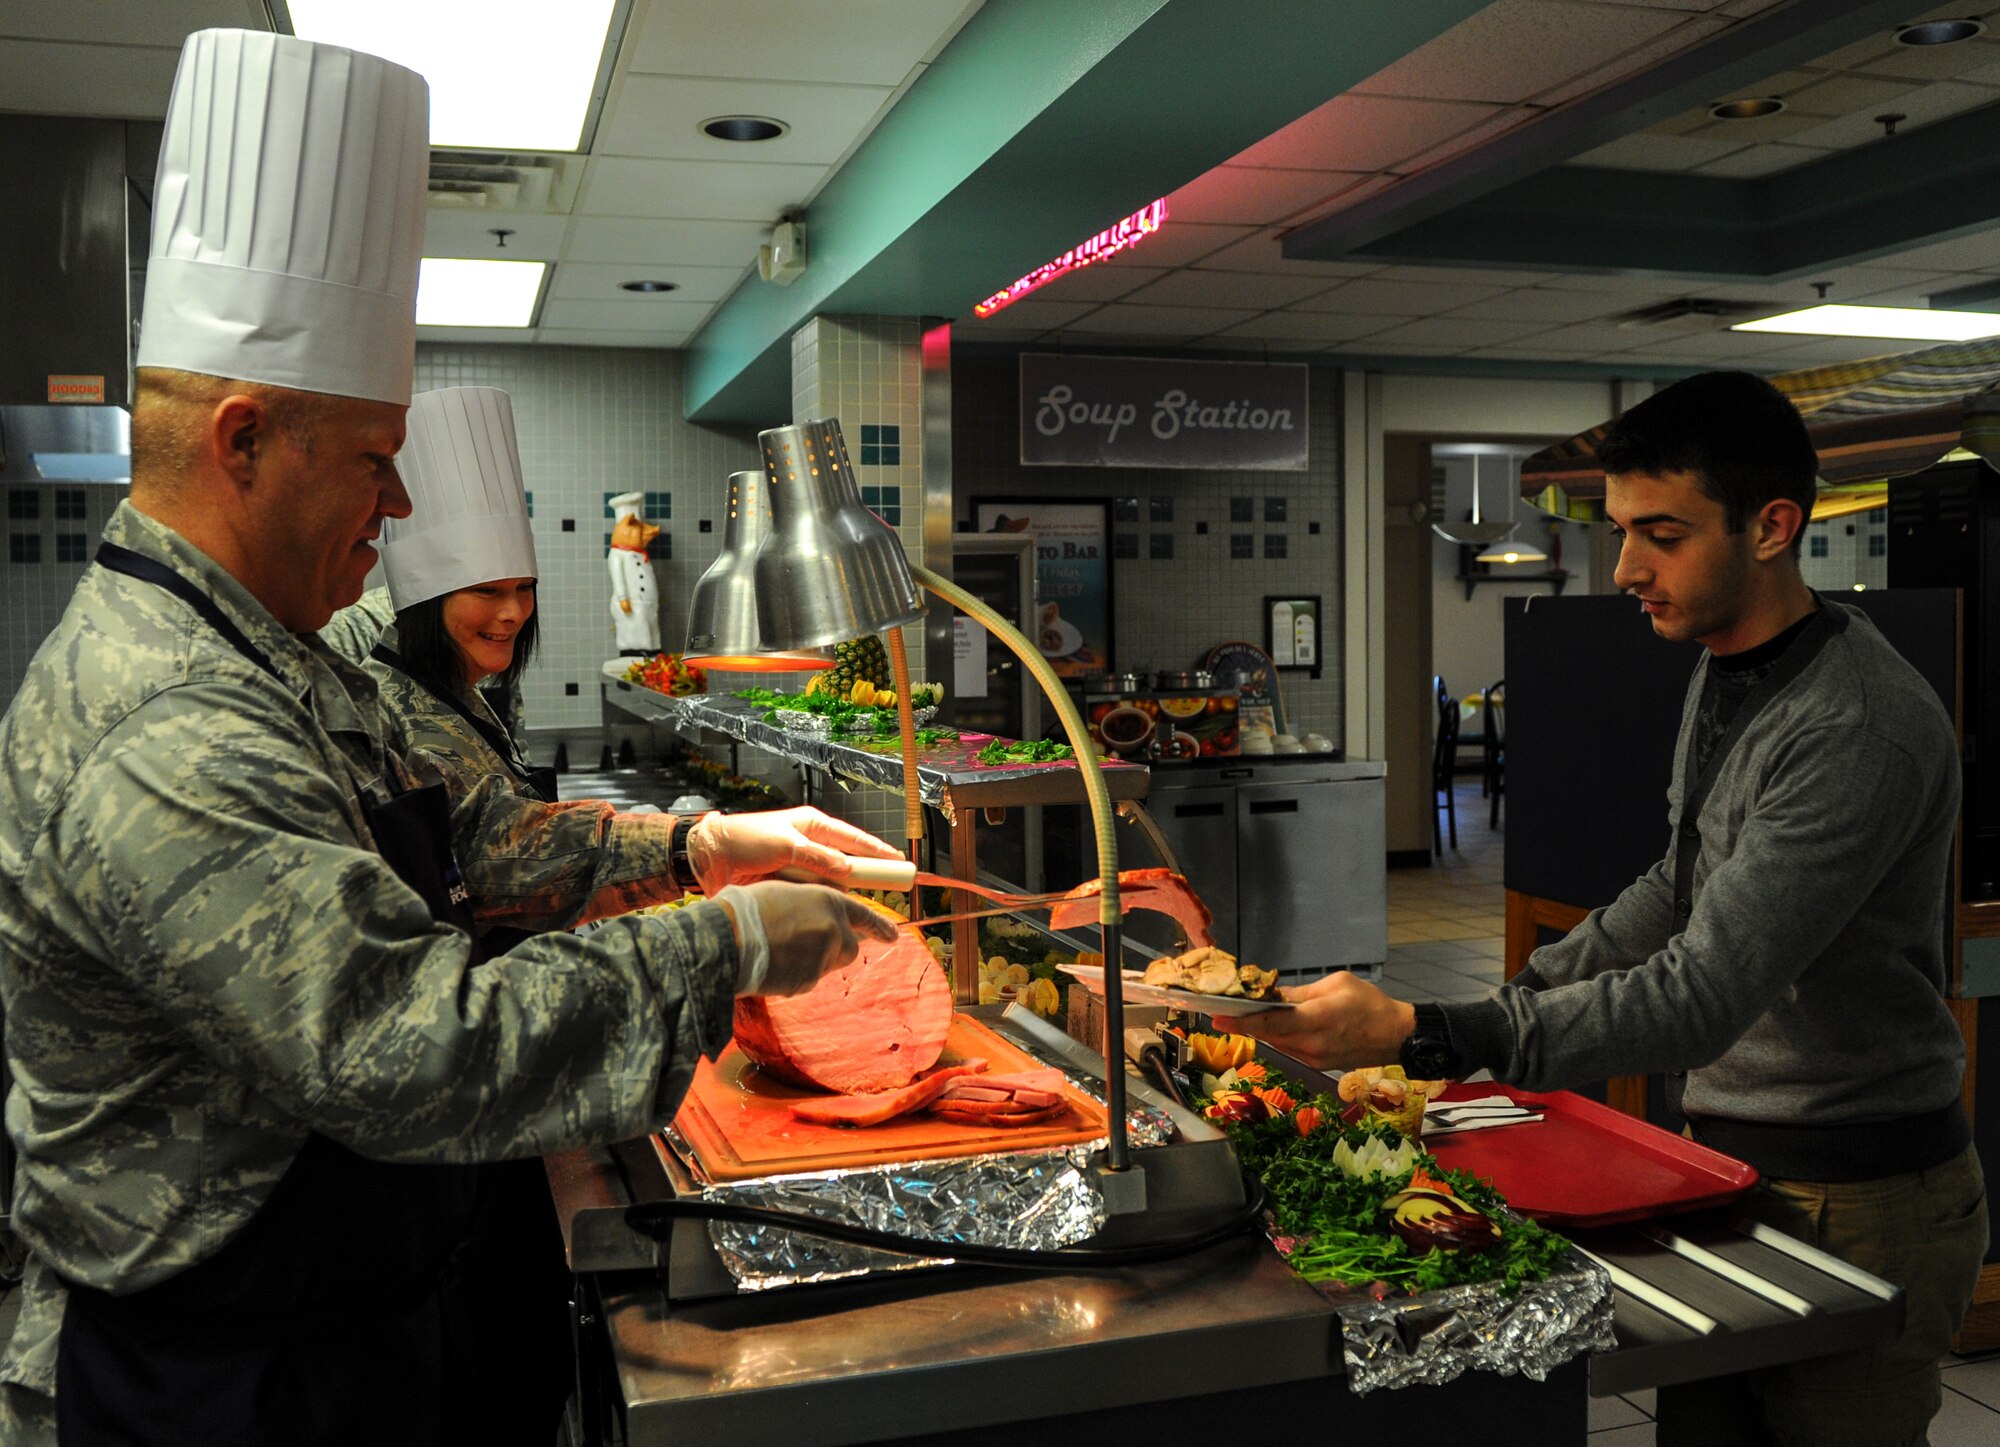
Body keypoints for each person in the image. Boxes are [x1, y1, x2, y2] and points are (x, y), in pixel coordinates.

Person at [0, 30, 898, 1447]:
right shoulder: (168, 718)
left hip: (334, 1324)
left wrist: (705, 837)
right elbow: (402, 1042)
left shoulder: (272, 656)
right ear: (242, 438)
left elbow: (471, 832)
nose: (397, 506)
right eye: (371, 457)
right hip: (219, 1380)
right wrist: (728, 940)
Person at [1227, 370, 1988, 1447]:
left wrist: (1436, 1032)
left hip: (1858, 1194)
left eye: (1661, 534)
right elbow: (1671, 891)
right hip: (1729, 1164)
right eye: (1623, 529)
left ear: (1771, 527)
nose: (1625, 567)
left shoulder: (1851, 723)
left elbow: (1702, 993)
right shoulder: (1726, 669)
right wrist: (1507, 1007)